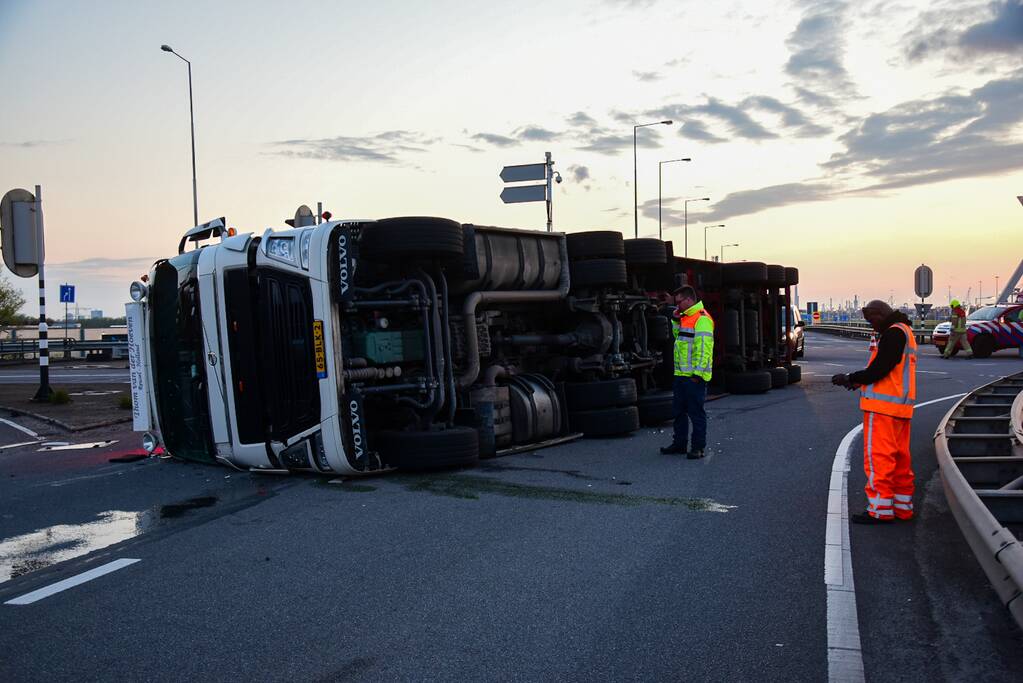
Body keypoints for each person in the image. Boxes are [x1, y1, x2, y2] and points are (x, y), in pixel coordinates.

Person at [832, 300, 917, 524]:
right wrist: (859, 383)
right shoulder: (905, 331)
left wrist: (850, 378)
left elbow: (879, 369)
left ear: (880, 314)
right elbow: (891, 373)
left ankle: (879, 510)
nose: (872, 326)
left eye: (872, 320)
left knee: (879, 460)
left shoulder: (892, 334)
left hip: (882, 410)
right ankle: (902, 508)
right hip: (900, 408)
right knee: (900, 460)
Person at [660, 285, 714, 459]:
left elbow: (704, 349)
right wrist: (676, 320)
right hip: (681, 375)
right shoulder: (685, 318)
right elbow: (679, 338)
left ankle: (698, 448)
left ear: (689, 300)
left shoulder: (702, 319)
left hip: (693, 377)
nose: (677, 306)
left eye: (679, 302)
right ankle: (680, 444)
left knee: (696, 414)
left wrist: (697, 375)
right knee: (678, 413)